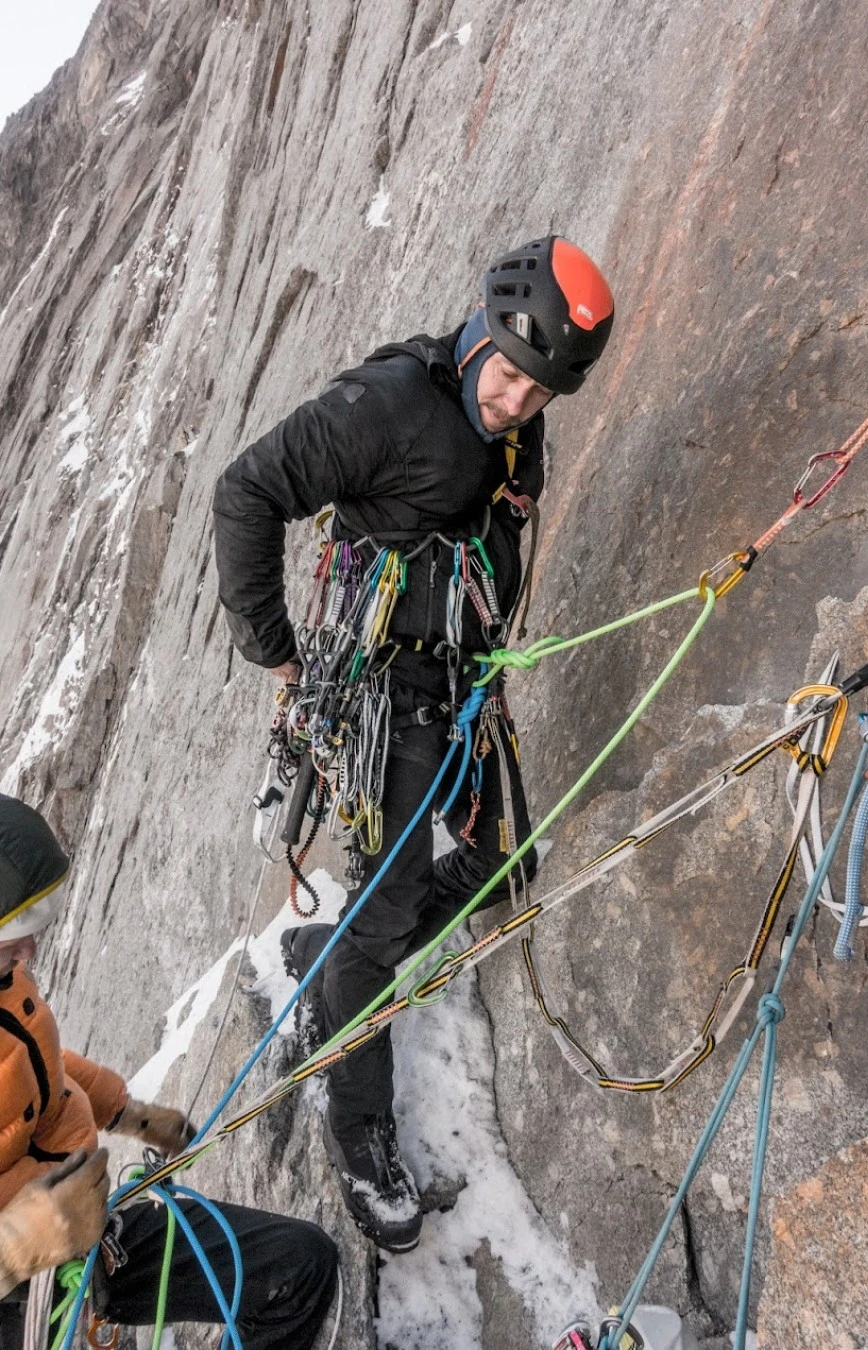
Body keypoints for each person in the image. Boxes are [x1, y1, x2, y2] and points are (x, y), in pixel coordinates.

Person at [213, 235, 614, 1252]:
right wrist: (278, 659)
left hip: (461, 685)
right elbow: (247, 489)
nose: (519, 402)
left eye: (540, 392)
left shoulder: (514, 432)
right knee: (389, 911)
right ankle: (359, 1129)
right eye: (515, 376)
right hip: (386, 689)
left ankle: (329, 958)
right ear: (482, 330)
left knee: (493, 872)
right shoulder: (393, 403)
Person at [0, 792, 338, 1349]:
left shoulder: (4, 980)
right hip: (20, 1283)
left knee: (298, 1266)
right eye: (15, 936)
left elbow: (41, 1066)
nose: (31, 951)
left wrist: (130, 1115)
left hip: (83, 1232)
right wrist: (19, 1247)